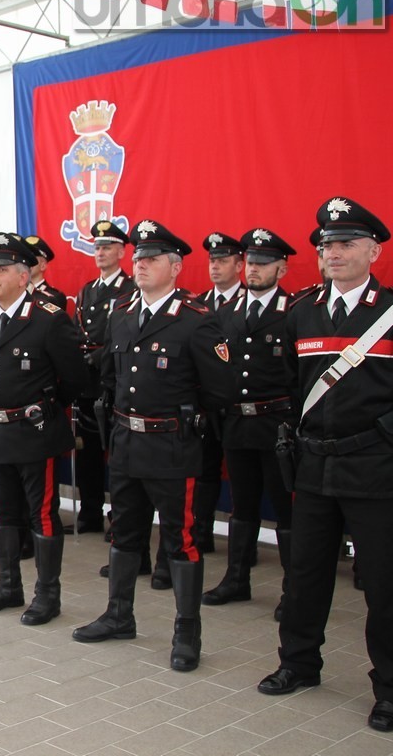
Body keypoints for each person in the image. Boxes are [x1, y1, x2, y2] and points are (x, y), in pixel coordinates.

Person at [256, 197, 393, 734]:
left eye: (345, 243)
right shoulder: (302, 312)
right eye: (326, 245)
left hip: (376, 470)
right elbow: (289, 385)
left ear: (374, 250)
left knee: (382, 585)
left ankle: (387, 688)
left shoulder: (387, 311)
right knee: (305, 574)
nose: (333, 252)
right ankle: (298, 663)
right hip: (314, 469)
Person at [73, 220, 233, 673]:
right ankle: (119, 614)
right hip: (125, 442)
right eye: (138, 258)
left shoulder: (196, 320)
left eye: (152, 259)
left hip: (172, 446)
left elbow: (219, 390)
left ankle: (187, 631)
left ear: (176, 267)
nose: (141, 265)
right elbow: (111, 376)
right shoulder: (122, 312)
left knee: (180, 540)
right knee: (124, 532)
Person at [0, 233, 87, 625]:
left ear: (24, 276)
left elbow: (74, 379)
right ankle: (9, 585)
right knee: (3, 513)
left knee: (42, 514)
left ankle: (47, 595)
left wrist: (46, 410)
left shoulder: (49, 318)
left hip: (36, 432)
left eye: (2, 269)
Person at [203, 228, 296, 618]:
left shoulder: (294, 312)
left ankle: (295, 590)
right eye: (251, 263)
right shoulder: (225, 313)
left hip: (277, 425)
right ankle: (237, 579)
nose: (255, 270)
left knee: (286, 509)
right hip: (237, 425)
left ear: (281, 268)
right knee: (242, 506)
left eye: (263, 263)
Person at [72, 221, 135, 536]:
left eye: (107, 246)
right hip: (87, 382)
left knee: (116, 452)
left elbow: (125, 336)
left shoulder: (130, 289)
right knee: (87, 451)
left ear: (122, 252)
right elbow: (76, 331)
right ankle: (90, 511)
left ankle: (120, 515)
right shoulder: (88, 290)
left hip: (112, 378)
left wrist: (99, 357)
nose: (100, 252)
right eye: (97, 247)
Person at [192, 232, 247, 554]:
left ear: (239, 265)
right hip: (209, 404)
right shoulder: (199, 304)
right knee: (205, 469)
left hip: (244, 404)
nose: (215, 266)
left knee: (244, 478)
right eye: (212, 261)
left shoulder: (248, 302)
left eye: (223, 260)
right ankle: (203, 532)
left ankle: (244, 546)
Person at [24, 234, 70, 313]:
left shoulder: (55, 297)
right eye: (25, 257)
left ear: (43, 266)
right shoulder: (16, 292)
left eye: (32, 259)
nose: (27, 262)